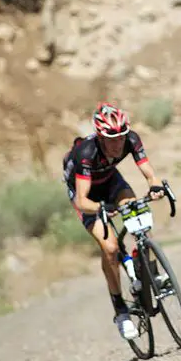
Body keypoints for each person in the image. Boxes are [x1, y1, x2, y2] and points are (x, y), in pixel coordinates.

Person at [62, 102, 167, 341]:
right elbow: (82, 200)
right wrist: (102, 208)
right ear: (100, 137)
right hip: (85, 194)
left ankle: (151, 271)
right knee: (109, 248)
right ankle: (121, 311)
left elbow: (149, 172)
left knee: (138, 219)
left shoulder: (131, 139)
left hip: (111, 182)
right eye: (111, 138)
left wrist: (155, 185)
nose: (118, 143)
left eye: (121, 136)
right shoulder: (86, 153)